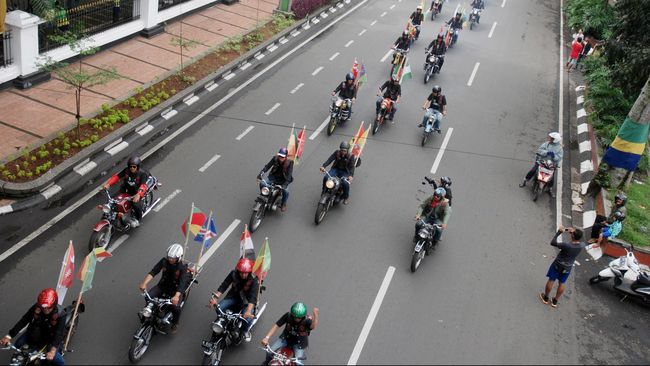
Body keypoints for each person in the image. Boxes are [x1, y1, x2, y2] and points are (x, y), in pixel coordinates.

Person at [0, 288, 66, 365]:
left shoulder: (61, 315)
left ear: (54, 305)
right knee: (17, 344)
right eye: (43, 308)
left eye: (48, 308)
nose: (45, 310)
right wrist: (9, 336)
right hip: (35, 332)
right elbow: (24, 321)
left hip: (50, 339)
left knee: (60, 362)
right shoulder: (37, 308)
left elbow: (59, 333)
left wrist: (52, 351)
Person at [139, 243, 190, 333]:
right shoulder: (164, 261)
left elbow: (182, 283)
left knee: (176, 308)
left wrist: (177, 296)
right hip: (162, 286)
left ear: (178, 258)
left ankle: (175, 323)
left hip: (175, 291)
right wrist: (144, 283)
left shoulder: (182, 268)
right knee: (148, 297)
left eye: (172, 258)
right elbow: (154, 272)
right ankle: (149, 313)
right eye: (169, 257)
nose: (170, 259)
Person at [208, 258, 259, 342]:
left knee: (248, 319)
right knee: (219, 308)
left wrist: (248, 311)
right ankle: (222, 321)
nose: (243, 275)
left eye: (245, 273)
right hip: (233, 297)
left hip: (246, 302)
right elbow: (224, 285)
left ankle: (244, 331)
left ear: (249, 272)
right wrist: (215, 298)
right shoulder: (233, 274)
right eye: (241, 272)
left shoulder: (254, 280)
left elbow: (253, 298)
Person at [540, 225, 586, 308]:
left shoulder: (566, 245)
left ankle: (546, 298)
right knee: (562, 282)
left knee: (552, 279)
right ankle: (555, 301)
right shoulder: (581, 245)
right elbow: (581, 238)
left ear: (572, 235)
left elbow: (553, 242)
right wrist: (572, 232)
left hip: (558, 264)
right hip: (568, 267)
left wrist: (559, 232)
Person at [102, 155, 151, 228]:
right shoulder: (126, 171)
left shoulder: (142, 174)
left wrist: (138, 194)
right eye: (130, 166)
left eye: (134, 166)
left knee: (136, 205)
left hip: (137, 192)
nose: (132, 168)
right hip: (126, 190)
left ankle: (138, 219)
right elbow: (117, 177)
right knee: (112, 200)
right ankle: (108, 214)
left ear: (137, 166)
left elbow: (143, 186)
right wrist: (108, 184)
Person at [519, 132, 563, 197]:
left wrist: (554, 156)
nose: (550, 139)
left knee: (551, 178)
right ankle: (525, 180)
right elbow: (539, 150)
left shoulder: (560, 149)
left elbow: (559, 158)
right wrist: (546, 152)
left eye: (551, 138)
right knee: (533, 170)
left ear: (555, 140)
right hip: (541, 161)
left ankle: (550, 189)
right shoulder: (546, 144)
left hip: (551, 165)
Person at [414, 187, 452, 254]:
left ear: (441, 197)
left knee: (439, 230)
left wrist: (444, 223)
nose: (435, 197)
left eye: (438, 196)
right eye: (435, 194)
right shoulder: (430, 198)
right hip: (427, 216)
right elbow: (422, 206)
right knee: (418, 224)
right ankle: (416, 236)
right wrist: (418, 215)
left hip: (437, 219)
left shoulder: (445, 203)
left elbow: (447, 214)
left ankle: (434, 243)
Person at [258, 147, 294, 212]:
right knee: (262, 183)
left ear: (285, 157)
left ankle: (283, 203)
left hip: (283, 180)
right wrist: (261, 172)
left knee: (286, 192)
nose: (280, 158)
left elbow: (289, 176)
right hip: (273, 177)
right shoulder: (275, 158)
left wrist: (285, 185)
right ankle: (263, 195)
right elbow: (267, 166)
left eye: (282, 157)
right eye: (280, 156)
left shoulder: (290, 163)